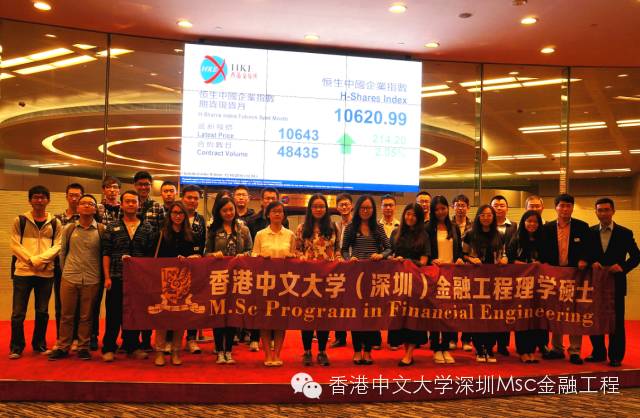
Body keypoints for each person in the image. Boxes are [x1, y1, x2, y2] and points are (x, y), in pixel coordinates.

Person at [101, 190, 156, 362]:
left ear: (139, 204)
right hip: (116, 277)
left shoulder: (147, 227)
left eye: (134, 201)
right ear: (122, 204)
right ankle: (109, 347)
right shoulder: (112, 227)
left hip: (138, 281)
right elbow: (106, 253)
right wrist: (107, 277)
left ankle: (132, 346)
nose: (131, 204)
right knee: (113, 314)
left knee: (134, 314)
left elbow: (151, 256)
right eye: (127, 201)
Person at [48, 194, 104, 361]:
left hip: (92, 278)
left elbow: (103, 255)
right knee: (66, 315)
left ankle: (83, 347)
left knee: (86, 316)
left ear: (95, 209)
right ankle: (63, 346)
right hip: (69, 277)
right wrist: (66, 272)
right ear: (78, 208)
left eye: (90, 204)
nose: (86, 206)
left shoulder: (101, 229)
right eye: (83, 203)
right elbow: (62, 253)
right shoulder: (69, 228)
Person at [9, 185, 61, 359]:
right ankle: (16, 347)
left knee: (42, 311)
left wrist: (39, 261)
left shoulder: (55, 222)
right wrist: (32, 260)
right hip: (23, 272)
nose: (39, 200)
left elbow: (58, 246)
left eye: (42, 197)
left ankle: (39, 345)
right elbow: (15, 245)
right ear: (30, 200)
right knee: (18, 313)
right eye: (36, 197)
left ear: (48, 200)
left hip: (45, 274)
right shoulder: (20, 220)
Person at [539, 193, 592, 365]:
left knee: (574, 313)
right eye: (561, 205)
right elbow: (542, 251)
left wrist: (584, 259)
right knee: (557, 312)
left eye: (568, 206)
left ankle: (575, 350)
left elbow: (589, 249)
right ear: (556, 208)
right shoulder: (547, 228)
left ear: (572, 208)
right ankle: (557, 348)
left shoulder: (582, 227)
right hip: (554, 276)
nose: (565, 209)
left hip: (576, 276)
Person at [588, 198, 640, 367]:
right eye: (600, 210)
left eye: (606, 210)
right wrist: (591, 262)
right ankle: (598, 353)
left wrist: (623, 267)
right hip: (595, 283)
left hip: (616, 283)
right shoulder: (590, 232)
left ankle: (616, 356)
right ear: (596, 212)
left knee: (616, 321)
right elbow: (584, 254)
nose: (603, 213)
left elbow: (636, 256)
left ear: (613, 211)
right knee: (595, 318)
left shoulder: (625, 233)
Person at [341, 195, 391, 365]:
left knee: (371, 314)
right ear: (357, 209)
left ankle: (368, 351)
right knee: (356, 314)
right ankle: (357, 350)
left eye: (368, 208)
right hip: (355, 275)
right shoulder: (350, 227)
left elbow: (389, 248)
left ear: (373, 210)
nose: (365, 211)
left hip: (374, 276)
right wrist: (349, 259)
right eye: (362, 208)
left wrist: (381, 255)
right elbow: (343, 250)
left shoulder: (378, 227)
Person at [152, 201, 201, 367]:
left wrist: (191, 258)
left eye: (181, 213)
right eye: (174, 212)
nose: (178, 216)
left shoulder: (192, 235)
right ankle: (159, 351)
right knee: (162, 318)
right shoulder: (161, 234)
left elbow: (198, 256)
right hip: (164, 281)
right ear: (169, 215)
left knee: (180, 318)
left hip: (184, 281)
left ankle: (176, 351)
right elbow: (153, 259)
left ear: (185, 215)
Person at [205, 197, 253, 365]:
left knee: (233, 313)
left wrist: (243, 255)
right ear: (219, 212)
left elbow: (251, 250)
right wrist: (213, 255)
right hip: (218, 276)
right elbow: (206, 253)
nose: (228, 213)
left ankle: (229, 351)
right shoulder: (213, 229)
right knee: (218, 312)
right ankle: (219, 350)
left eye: (231, 209)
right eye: (224, 210)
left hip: (237, 277)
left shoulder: (243, 229)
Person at [295, 194, 340, 366]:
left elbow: (337, 249)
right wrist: (301, 257)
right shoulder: (302, 228)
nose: (318, 209)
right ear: (310, 209)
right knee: (307, 315)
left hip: (328, 278)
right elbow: (297, 250)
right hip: (308, 278)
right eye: (315, 206)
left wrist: (338, 259)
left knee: (323, 316)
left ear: (326, 209)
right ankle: (307, 351)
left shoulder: (333, 227)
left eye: (322, 206)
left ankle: (322, 351)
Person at [252, 200, 296, 366]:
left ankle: (277, 354)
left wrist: (292, 257)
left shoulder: (290, 235)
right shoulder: (260, 234)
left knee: (280, 320)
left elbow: (294, 256)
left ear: (284, 215)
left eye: (280, 211)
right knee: (264, 319)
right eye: (274, 211)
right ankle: (267, 354)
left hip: (284, 283)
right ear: (268, 214)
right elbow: (253, 255)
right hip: (265, 283)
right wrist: (260, 257)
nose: (277, 214)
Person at [463, 204, 507, 363]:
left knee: (492, 315)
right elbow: (463, 254)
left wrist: (505, 258)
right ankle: (479, 347)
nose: (486, 218)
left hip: (494, 280)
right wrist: (471, 259)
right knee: (478, 315)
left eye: (489, 215)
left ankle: (489, 347)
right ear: (478, 217)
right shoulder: (470, 234)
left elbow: (504, 252)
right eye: (483, 215)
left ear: (493, 217)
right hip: (476, 279)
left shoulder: (499, 234)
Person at [390, 203, 429, 366]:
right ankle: (407, 351)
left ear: (419, 218)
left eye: (414, 215)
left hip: (416, 280)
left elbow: (424, 260)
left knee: (413, 316)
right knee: (401, 316)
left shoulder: (423, 235)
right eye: (408, 214)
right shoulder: (396, 232)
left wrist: (407, 261)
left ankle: (409, 353)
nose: (410, 217)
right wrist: (394, 259)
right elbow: (390, 253)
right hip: (398, 281)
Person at [427, 196, 464, 364]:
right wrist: (431, 260)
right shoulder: (427, 228)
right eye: (437, 209)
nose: (440, 212)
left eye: (443, 208)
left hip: (451, 274)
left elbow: (459, 251)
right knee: (435, 312)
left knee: (449, 313)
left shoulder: (454, 227)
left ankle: (446, 347)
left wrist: (459, 259)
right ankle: (436, 347)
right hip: (434, 274)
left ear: (448, 208)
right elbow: (425, 251)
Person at [507, 210, 545, 363]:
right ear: (523, 222)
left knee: (535, 318)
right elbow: (510, 260)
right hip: (521, 285)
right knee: (522, 317)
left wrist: (539, 264)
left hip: (538, 285)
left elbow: (547, 260)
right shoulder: (516, 239)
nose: (532, 224)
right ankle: (522, 350)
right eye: (529, 221)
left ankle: (531, 350)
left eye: (535, 222)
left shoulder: (543, 240)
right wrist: (527, 266)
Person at [54, 183, 84, 351]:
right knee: (62, 306)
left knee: (80, 306)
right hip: (61, 268)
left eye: (77, 195)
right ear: (66, 196)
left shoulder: (85, 218)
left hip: (82, 268)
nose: (74, 198)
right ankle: (62, 339)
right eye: (71, 195)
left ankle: (78, 339)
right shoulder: (57, 219)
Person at [94, 176, 121, 351]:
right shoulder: (97, 208)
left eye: (115, 187)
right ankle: (92, 337)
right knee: (94, 301)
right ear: (103, 190)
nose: (112, 190)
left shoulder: (124, 208)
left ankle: (123, 339)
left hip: (117, 261)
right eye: (108, 187)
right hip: (98, 257)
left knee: (116, 305)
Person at [181, 184, 207, 354]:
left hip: (195, 266)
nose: (192, 201)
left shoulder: (201, 219)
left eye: (195, 198)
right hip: (176, 265)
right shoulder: (175, 215)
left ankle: (191, 338)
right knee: (176, 302)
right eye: (189, 197)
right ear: (182, 198)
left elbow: (203, 242)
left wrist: (198, 256)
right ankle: (170, 339)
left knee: (192, 302)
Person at [490, 195, 517, 356]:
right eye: (496, 205)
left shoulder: (514, 226)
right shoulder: (486, 224)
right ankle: (489, 343)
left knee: (505, 309)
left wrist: (507, 258)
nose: (499, 208)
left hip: (507, 272)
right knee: (489, 310)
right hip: (488, 273)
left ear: (507, 208)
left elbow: (515, 247)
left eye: (502, 205)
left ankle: (502, 344)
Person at [450, 193, 473, 351]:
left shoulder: (474, 225)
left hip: (470, 269)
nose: (460, 208)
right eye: (457, 205)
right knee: (451, 305)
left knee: (467, 306)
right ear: (453, 207)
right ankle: (451, 338)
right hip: (451, 269)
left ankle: (466, 339)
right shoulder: (448, 225)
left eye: (463, 205)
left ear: (468, 207)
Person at [331, 193, 353, 348]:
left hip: (357, 266)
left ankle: (363, 337)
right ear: (337, 207)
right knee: (339, 303)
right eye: (341, 205)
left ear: (352, 206)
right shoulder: (335, 226)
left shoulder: (358, 224)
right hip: (339, 268)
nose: (344, 207)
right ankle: (340, 337)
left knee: (358, 302)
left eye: (347, 204)